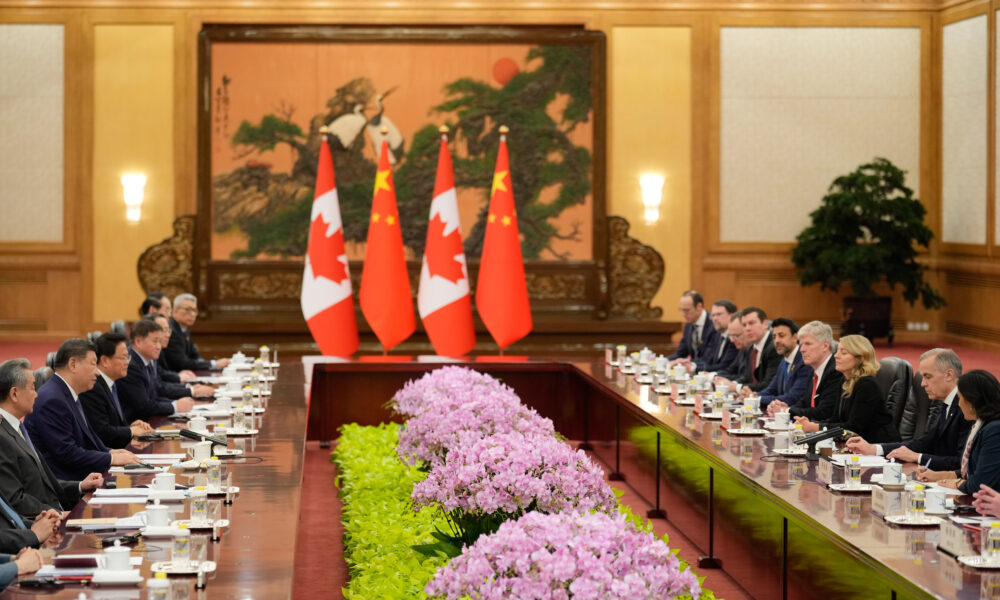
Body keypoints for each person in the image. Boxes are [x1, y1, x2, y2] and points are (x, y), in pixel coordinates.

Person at [23, 338, 141, 480]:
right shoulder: (52, 400)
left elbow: (87, 440)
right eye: (93, 364)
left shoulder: (68, 392)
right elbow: (67, 453)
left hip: (81, 475)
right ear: (73, 364)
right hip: (66, 485)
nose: (97, 372)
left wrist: (111, 452)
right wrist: (111, 459)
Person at [0, 359, 104, 515]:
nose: (36, 394)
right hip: (41, 525)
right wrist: (57, 514)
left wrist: (80, 485)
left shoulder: (17, 428)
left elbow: (43, 485)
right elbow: (14, 500)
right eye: (33, 388)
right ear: (14, 394)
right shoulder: (3, 437)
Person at [845, 349, 970, 470]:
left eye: (928, 376)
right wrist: (874, 449)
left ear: (948, 375)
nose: (923, 384)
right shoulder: (947, 403)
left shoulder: (967, 408)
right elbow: (924, 442)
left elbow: (962, 463)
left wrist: (917, 457)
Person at [793, 335, 899, 443]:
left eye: (843, 353)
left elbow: (854, 428)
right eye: (837, 351)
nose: (836, 356)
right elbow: (835, 420)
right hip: (854, 445)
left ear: (860, 358)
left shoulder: (867, 385)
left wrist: (815, 427)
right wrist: (812, 424)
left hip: (878, 446)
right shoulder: (844, 381)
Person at [916, 370, 1000, 495]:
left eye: (960, 398)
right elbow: (974, 469)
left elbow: (980, 484)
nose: (959, 404)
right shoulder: (981, 424)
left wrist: (956, 483)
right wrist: (942, 475)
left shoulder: (994, 430)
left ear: (972, 401)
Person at [79, 333, 155, 449]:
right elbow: (101, 431)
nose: (127, 362)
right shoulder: (93, 387)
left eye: (128, 357)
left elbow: (112, 424)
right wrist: (130, 431)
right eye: (123, 358)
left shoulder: (111, 383)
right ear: (104, 361)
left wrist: (131, 426)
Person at [117, 320, 195, 422]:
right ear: (138, 341)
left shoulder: (146, 361)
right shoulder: (131, 366)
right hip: (137, 425)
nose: (159, 346)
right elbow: (144, 406)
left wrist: (176, 403)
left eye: (160, 341)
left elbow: (155, 394)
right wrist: (175, 406)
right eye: (155, 341)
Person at [768, 321, 846, 418]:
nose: (802, 349)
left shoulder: (835, 371)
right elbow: (805, 402)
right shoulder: (813, 369)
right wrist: (787, 408)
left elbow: (824, 412)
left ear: (825, 346)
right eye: (801, 344)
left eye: (808, 344)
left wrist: (787, 411)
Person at [746, 318, 812, 409]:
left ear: (795, 337)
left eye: (781, 336)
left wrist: (757, 398)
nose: (777, 341)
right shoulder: (784, 360)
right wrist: (753, 395)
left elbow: (792, 398)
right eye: (774, 337)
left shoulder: (804, 361)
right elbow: (771, 389)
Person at [715, 307, 780, 393]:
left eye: (751, 323)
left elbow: (768, 384)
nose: (747, 328)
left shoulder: (774, 347)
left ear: (765, 324)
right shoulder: (751, 347)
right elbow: (747, 377)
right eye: (744, 325)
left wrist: (736, 387)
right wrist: (730, 384)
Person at [146, 314, 214, 395]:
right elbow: (158, 388)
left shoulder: (156, 351)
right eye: (163, 330)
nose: (168, 335)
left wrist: (188, 387)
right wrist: (190, 390)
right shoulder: (147, 355)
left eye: (168, 330)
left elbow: (160, 377)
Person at [162, 293, 230, 372]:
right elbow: (182, 363)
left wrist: (208, 364)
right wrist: (213, 364)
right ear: (175, 311)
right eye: (188, 310)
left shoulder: (185, 330)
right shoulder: (171, 331)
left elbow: (194, 355)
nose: (193, 314)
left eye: (194, 310)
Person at [667, 291, 720, 366]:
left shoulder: (713, 325)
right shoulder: (688, 325)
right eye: (681, 310)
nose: (683, 314)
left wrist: (686, 364)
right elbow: (681, 353)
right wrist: (663, 361)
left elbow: (708, 358)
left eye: (686, 310)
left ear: (699, 307)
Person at [693, 300, 740, 373]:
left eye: (719, 314)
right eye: (713, 315)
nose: (715, 319)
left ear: (732, 316)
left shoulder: (735, 337)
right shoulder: (716, 335)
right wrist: (691, 364)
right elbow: (708, 360)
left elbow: (725, 366)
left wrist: (694, 368)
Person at [715, 314, 749, 381]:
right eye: (731, 336)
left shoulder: (751, 348)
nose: (732, 340)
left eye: (736, 336)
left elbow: (745, 378)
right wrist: (715, 376)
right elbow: (731, 369)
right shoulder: (742, 348)